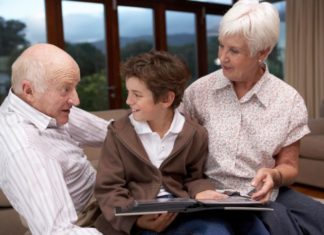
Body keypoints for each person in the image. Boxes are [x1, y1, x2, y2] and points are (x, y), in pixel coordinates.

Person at [180, 0, 324, 234]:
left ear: (263, 51)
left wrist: (274, 175)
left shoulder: (289, 100)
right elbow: (180, 156)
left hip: (263, 194)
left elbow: (289, 165)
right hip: (207, 192)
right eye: (221, 46)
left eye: (234, 50)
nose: (222, 57)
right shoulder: (198, 92)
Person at [94, 50, 269, 235]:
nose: (129, 100)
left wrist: (201, 192)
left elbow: (194, 177)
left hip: (181, 213)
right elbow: (108, 188)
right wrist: (136, 221)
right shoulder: (118, 133)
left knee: (219, 230)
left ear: (166, 99)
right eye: (128, 92)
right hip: (137, 218)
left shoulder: (195, 134)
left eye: (137, 94)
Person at [0, 43, 111, 235]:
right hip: (84, 221)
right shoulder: (26, 149)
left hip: (101, 195)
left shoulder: (44, 107)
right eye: (65, 89)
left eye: (74, 87)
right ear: (29, 91)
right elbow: (58, 232)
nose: (76, 100)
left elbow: (111, 133)